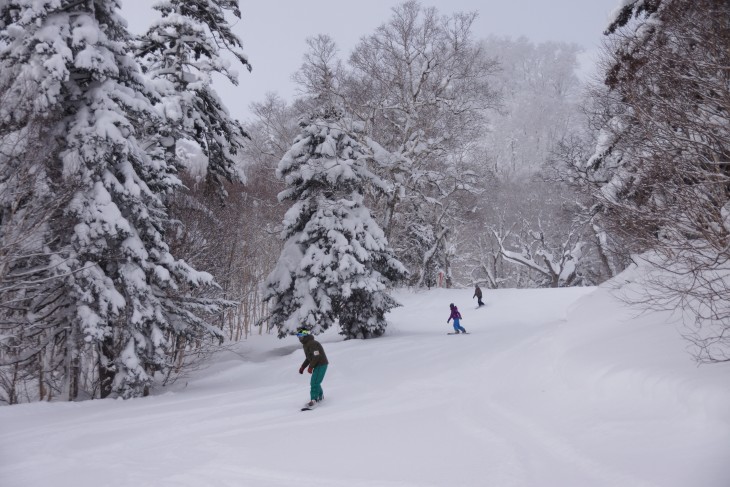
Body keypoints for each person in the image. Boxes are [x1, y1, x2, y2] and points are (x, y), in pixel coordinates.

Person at [297, 328, 329, 409]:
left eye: (301, 336)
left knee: (314, 382)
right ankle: (320, 397)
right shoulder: (306, 344)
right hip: (318, 364)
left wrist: (310, 367)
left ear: (305, 336)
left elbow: (317, 356)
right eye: (298, 336)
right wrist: (303, 367)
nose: (299, 338)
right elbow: (309, 358)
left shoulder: (312, 343)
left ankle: (314, 400)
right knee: (316, 381)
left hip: (321, 364)